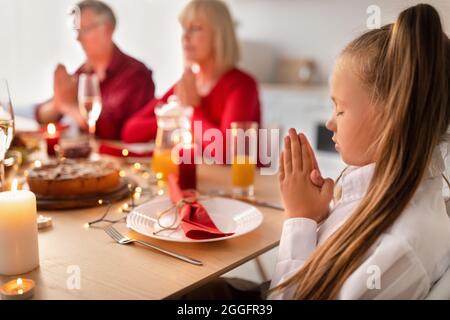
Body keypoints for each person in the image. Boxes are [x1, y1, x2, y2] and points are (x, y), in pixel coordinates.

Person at [181, 3, 450, 300]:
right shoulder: (381, 195)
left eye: (340, 108)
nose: (330, 122)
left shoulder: (396, 249)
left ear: (393, 116)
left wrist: (300, 217)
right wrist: (321, 217)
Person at [122, 0, 260, 150]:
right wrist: (174, 118)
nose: (185, 37)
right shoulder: (188, 83)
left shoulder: (242, 85)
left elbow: (225, 150)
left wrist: (192, 111)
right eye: (184, 28)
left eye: (195, 28)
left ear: (219, 35)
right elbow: (130, 131)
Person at [36, 0, 155, 140]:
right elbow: (41, 114)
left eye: (85, 30)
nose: (78, 38)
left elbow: (118, 133)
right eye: (77, 31)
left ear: (108, 29)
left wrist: (69, 107)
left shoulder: (136, 75)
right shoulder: (82, 73)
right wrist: (58, 103)